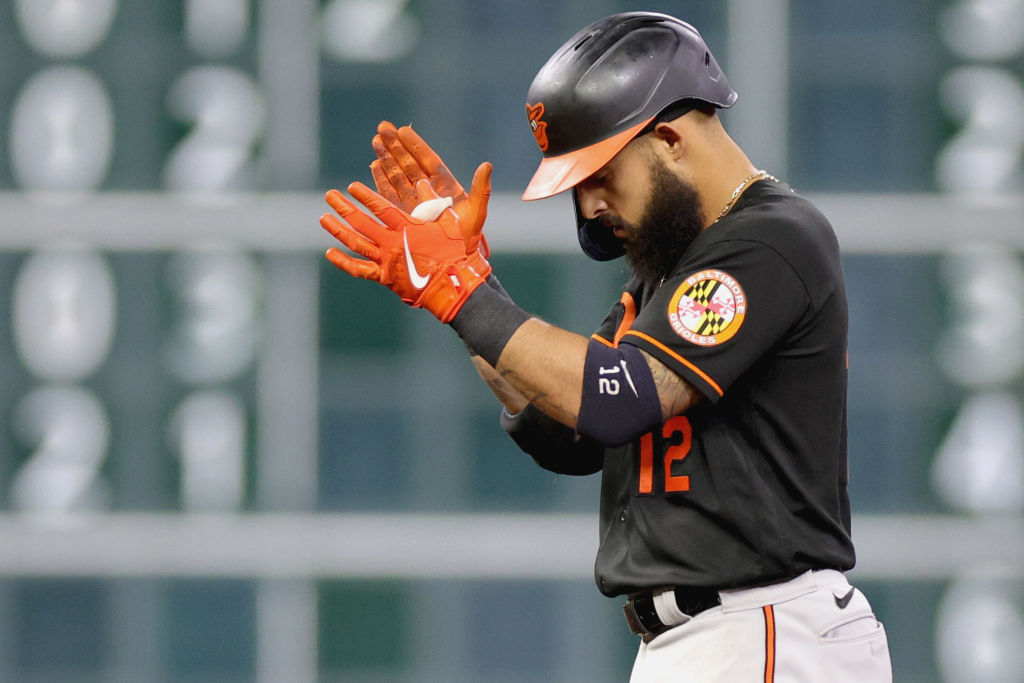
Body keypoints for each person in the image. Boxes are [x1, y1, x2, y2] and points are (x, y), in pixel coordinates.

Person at [319, 11, 893, 682]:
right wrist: (474, 289)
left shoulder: (770, 240)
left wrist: (462, 292)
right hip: (710, 638)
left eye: (599, 173)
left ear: (670, 138)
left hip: (764, 627)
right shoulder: (673, 268)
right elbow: (567, 428)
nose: (589, 205)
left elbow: (618, 399)